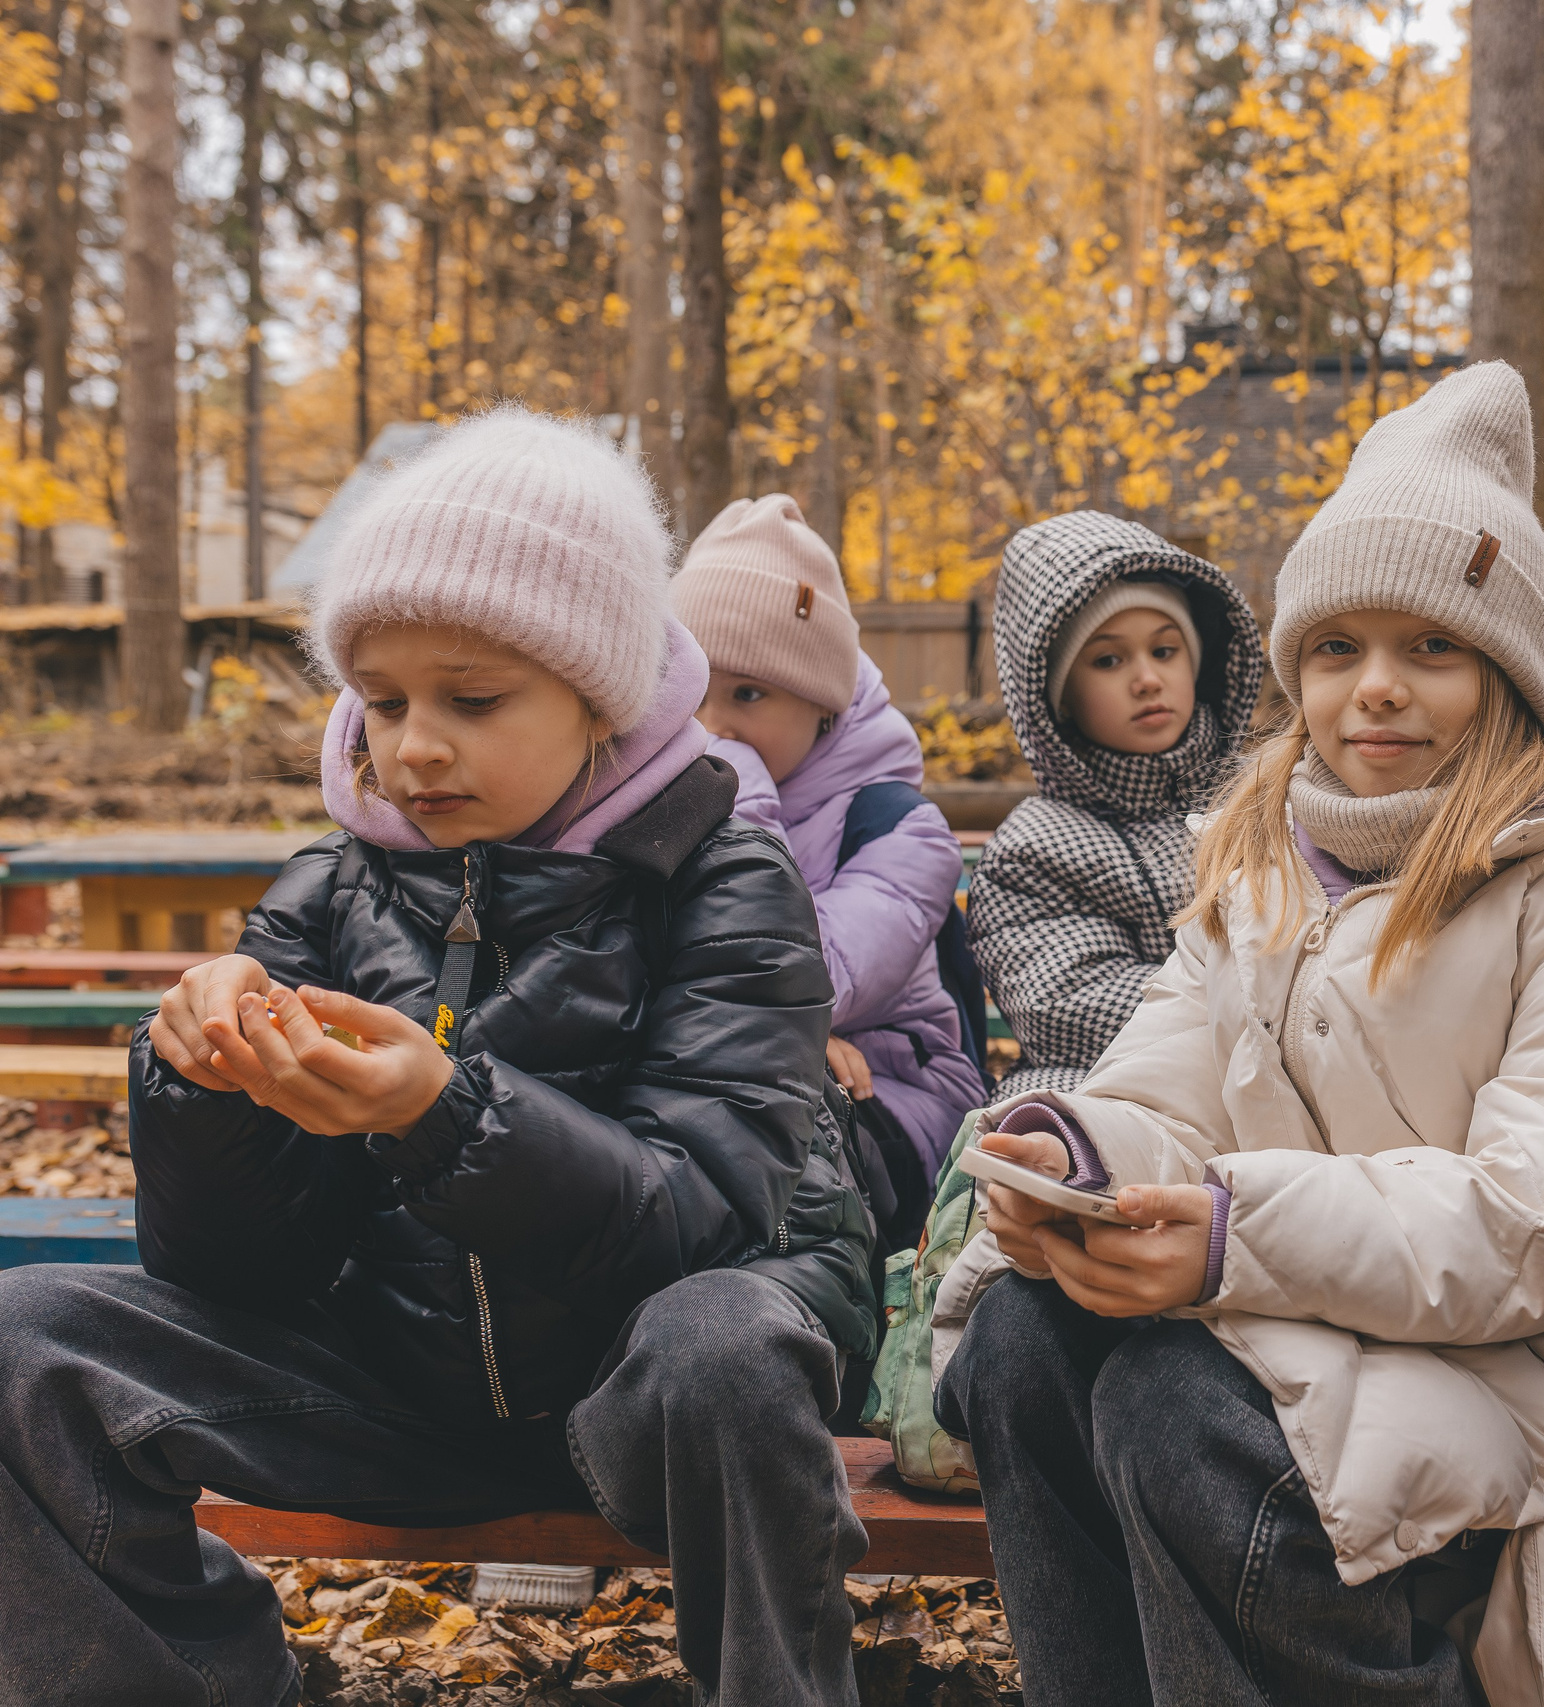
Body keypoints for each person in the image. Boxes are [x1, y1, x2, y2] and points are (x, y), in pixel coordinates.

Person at [0, 409, 877, 1707]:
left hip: (644, 1397)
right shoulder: (329, 896)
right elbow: (243, 1269)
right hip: (394, 1384)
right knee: (22, 1337)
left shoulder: (724, 877)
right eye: (385, 699)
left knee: (727, 1342)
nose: (413, 745)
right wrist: (204, 1087)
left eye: (471, 699)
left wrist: (443, 1113)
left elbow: (698, 1214)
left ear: (601, 695)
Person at [934, 362, 1544, 1707]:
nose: (1377, 689)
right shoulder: (1262, 869)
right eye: (1337, 647)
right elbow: (1164, 1079)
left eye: (1433, 648)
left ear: (1513, 673)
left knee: (1175, 1406)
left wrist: (1234, 1231)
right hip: (1325, 1311)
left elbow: (1543, 1218)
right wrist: (1073, 1158)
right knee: (1023, 1343)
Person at [676, 492, 985, 1222]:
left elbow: (796, 977)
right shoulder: (663, 802)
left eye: (747, 694)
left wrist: (734, 794)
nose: (713, 727)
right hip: (755, 1084)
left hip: (898, 1104)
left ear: (824, 704)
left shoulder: (899, 828)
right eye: (693, 697)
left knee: (766, 1166)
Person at [967, 510, 1264, 1095]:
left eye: (1165, 650)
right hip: (1117, 1085)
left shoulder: (1265, 797)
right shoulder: (1035, 851)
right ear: (1060, 698)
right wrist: (1262, 1004)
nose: (1147, 679)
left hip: (1283, 1080)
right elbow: (1068, 1008)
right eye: (1108, 660)